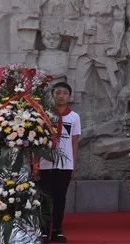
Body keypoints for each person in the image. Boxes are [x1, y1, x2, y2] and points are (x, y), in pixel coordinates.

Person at [39, 82, 81, 243]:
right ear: (53, 95)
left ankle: (57, 230)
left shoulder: (74, 117)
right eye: (57, 93)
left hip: (65, 164)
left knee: (60, 197)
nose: (61, 96)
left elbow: (75, 141)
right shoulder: (45, 114)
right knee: (45, 197)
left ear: (69, 96)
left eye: (64, 93)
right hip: (46, 163)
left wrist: (74, 164)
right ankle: (43, 230)